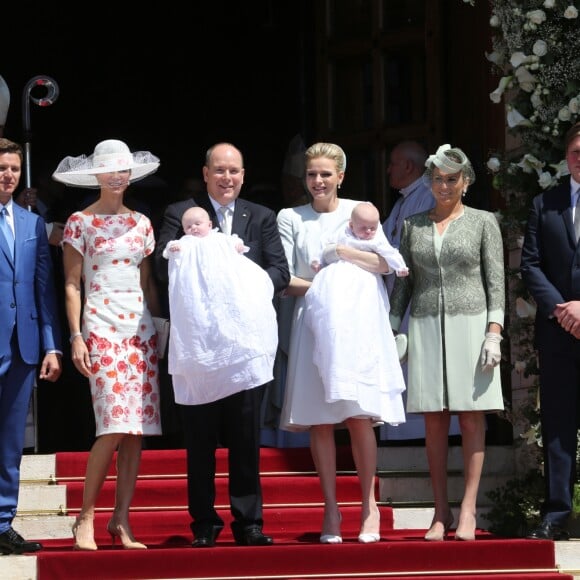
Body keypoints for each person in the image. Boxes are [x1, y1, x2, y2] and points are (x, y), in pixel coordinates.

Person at [154, 142, 290, 548]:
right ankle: (204, 524)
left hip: (245, 345)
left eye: (234, 171)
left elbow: (279, 270)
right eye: (219, 170)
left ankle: (248, 521)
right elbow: (162, 265)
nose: (227, 178)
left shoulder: (261, 216)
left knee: (246, 437)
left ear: (243, 175)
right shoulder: (181, 213)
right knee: (200, 439)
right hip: (200, 347)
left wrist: (242, 283)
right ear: (206, 172)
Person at [278, 142, 401, 544]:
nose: (318, 181)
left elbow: (384, 262)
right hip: (312, 323)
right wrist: (326, 289)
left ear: (340, 177)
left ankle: (369, 508)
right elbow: (284, 276)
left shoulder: (360, 213)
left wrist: (344, 253)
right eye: (312, 174)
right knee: (320, 419)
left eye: (326, 174)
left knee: (359, 415)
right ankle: (331, 510)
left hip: (358, 328)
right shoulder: (290, 217)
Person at [389, 144, 505, 542]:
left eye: (451, 179)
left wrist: (495, 331)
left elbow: (496, 282)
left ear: (466, 182)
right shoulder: (413, 225)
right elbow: (404, 285)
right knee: (434, 418)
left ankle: (469, 509)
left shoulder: (483, 221)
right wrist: (389, 328)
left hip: (472, 325)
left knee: (472, 416)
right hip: (423, 325)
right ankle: (441, 512)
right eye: (437, 179)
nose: (443, 185)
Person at [54, 139, 163, 551]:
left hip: (141, 333)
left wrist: (162, 329)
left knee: (136, 431)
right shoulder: (79, 222)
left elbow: (148, 281)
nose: (118, 177)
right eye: (110, 170)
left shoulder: (143, 223)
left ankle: (121, 519)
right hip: (101, 329)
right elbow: (71, 283)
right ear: (96, 175)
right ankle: (85, 517)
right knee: (113, 424)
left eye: (123, 170)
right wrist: (77, 336)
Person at [0, 138, 62, 555]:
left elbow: (44, 290)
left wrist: (52, 346)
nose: (8, 176)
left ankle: (3, 522)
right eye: (2, 168)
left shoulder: (31, 222)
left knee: (9, 443)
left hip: (22, 346)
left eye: (14, 170)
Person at [520, 121, 580, 541]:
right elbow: (530, 264)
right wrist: (564, 309)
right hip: (559, 334)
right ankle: (557, 514)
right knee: (558, 425)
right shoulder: (546, 203)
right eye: (575, 150)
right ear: (566, 155)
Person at [380, 140, 460, 441]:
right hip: (401, 300)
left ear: (409, 167)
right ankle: (405, 435)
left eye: (392, 164)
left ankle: (430, 436)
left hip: (423, 299)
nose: (388, 170)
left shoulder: (427, 196)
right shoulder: (403, 201)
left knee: (426, 369)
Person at [163, 204, 277, 404]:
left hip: (224, 292)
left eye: (198, 224)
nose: (194, 229)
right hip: (197, 297)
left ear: (210, 224)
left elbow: (237, 245)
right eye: (188, 226)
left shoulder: (221, 238)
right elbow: (170, 252)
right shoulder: (185, 242)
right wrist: (174, 248)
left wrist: (238, 247)